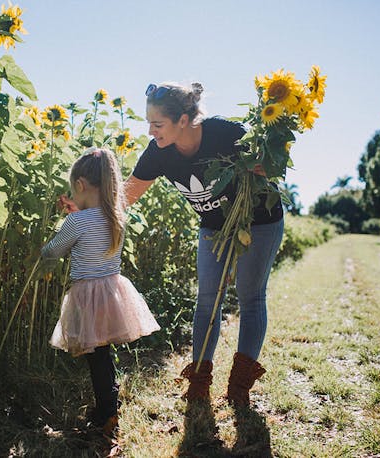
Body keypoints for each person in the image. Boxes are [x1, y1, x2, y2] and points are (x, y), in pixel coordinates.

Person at [123, 82, 284, 406]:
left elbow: (274, 165)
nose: (151, 131)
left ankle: (239, 388)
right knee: (207, 299)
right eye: (149, 124)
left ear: (183, 119)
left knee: (251, 297)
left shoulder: (227, 133)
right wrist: (87, 208)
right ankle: (198, 382)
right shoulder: (158, 151)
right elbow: (127, 195)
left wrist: (261, 165)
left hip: (262, 220)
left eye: (157, 124)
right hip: (213, 228)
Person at [42, 147, 160, 437]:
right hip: (112, 291)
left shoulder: (76, 221)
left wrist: (42, 249)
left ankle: (106, 413)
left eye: (74, 190)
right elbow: (91, 226)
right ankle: (109, 403)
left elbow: (54, 251)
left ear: (80, 185)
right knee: (103, 354)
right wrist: (77, 212)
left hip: (86, 296)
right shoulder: (115, 215)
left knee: (96, 358)